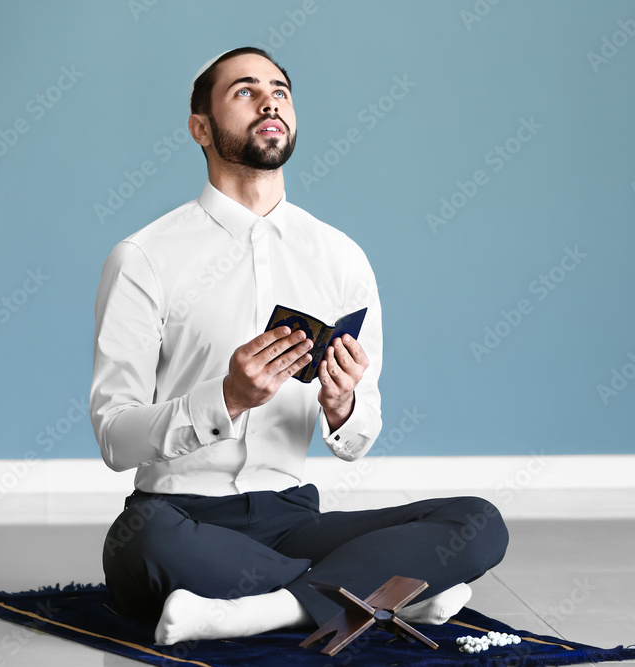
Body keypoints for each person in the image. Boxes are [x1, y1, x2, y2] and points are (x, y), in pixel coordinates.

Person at [90, 47, 508, 646]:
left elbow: (359, 438)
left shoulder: (341, 258)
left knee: (477, 522)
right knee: (145, 546)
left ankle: (270, 610)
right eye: (245, 91)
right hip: (179, 517)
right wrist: (227, 399)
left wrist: (342, 406)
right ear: (200, 129)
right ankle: (382, 597)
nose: (269, 102)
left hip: (292, 523)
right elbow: (114, 438)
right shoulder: (143, 258)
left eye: (280, 91)